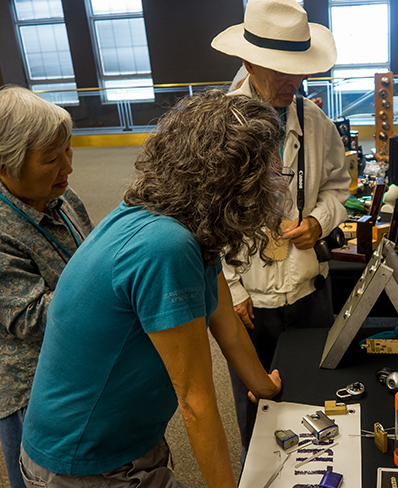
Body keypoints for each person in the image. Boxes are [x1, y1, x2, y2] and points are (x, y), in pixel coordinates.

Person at [20, 91, 286, 488]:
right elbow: (195, 401)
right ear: (234, 182)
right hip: (83, 462)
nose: (275, 184)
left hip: (119, 443)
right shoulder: (167, 246)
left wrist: (263, 386)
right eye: (268, 173)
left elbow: (223, 317)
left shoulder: (182, 219)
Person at [210, 0, 350, 454]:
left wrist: (318, 221)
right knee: (258, 414)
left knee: (315, 405)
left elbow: (337, 188)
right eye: (282, 69)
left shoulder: (316, 123)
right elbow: (201, 222)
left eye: (301, 69)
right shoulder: (214, 131)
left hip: (310, 293)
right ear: (249, 61)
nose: (295, 81)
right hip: (246, 303)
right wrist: (229, 291)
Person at [0, 85, 94, 488]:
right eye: (51, 159)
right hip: (34, 396)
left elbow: (92, 254)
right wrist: (111, 285)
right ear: (7, 163)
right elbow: (32, 317)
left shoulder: (63, 197)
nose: (67, 167)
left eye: (68, 151)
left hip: (82, 374)